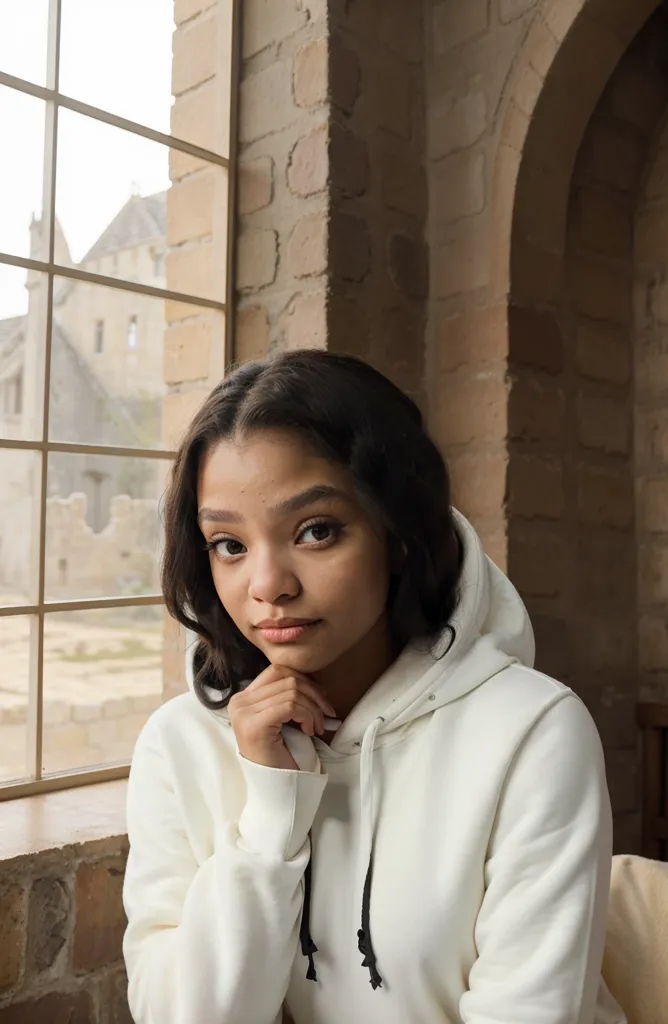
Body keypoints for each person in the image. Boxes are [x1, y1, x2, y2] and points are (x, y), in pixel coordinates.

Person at [122, 350, 626, 1024]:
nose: (268, 585)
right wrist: (270, 815)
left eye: (317, 531)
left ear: (398, 533)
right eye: (229, 545)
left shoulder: (533, 733)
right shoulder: (178, 744)